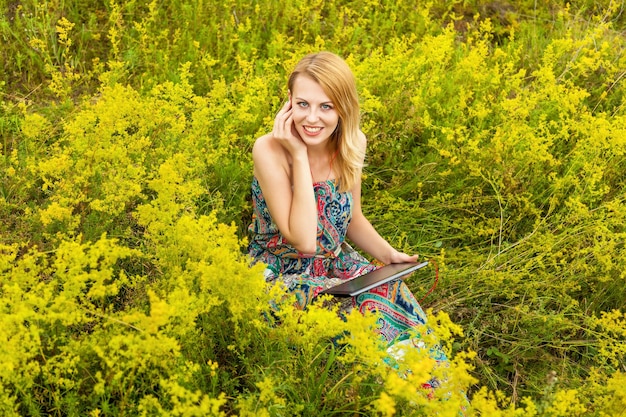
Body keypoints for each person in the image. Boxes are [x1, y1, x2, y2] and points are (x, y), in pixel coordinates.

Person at [247, 51, 447, 377]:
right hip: (280, 275)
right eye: (303, 104)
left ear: (343, 107)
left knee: (395, 297)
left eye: (326, 106)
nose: (312, 118)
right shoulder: (269, 150)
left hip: (336, 266)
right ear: (288, 102)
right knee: (368, 318)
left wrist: (391, 257)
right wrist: (299, 156)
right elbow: (304, 242)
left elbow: (352, 218)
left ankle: (443, 399)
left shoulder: (352, 143)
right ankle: (394, 393)